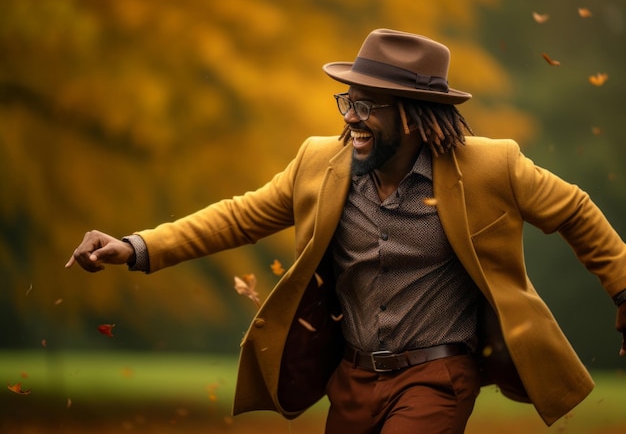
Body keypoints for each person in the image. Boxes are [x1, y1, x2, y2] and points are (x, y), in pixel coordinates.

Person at [66, 28, 626, 434]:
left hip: (438, 374)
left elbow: (575, 210)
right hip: (351, 380)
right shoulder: (319, 164)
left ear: (413, 115)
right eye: (348, 101)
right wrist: (136, 246)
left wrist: (624, 289)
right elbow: (239, 215)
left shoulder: (490, 167)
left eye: (368, 106)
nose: (351, 117)